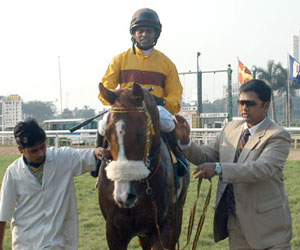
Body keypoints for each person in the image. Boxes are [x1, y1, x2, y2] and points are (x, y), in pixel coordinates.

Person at [175, 79, 292, 249]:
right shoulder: (230, 129)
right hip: (235, 226)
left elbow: (262, 169)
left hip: (269, 231)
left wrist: (218, 168)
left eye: (250, 103)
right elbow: (206, 155)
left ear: (265, 106)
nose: (244, 108)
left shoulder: (277, 135)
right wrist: (186, 141)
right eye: (241, 102)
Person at [97, 8, 189, 176]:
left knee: (168, 122)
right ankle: (98, 159)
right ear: (134, 34)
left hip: (154, 109)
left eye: (149, 31)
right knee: (103, 124)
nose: (144, 34)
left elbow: (175, 96)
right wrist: (120, 97)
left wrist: (161, 101)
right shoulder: (120, 59)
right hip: (125, 109)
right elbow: (106, 88)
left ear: (156, 35)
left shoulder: (166, 63)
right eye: (140, 31)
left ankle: (178, 156)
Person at [0, 118, 104, 250]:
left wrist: (98, 151)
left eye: (42, 147)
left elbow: (91, 155)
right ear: (21, 149)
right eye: (34, 150)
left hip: (60, 243)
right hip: (26, 244)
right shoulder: (13, 173)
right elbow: (2, 215)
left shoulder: (63, 158)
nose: (40, 153)